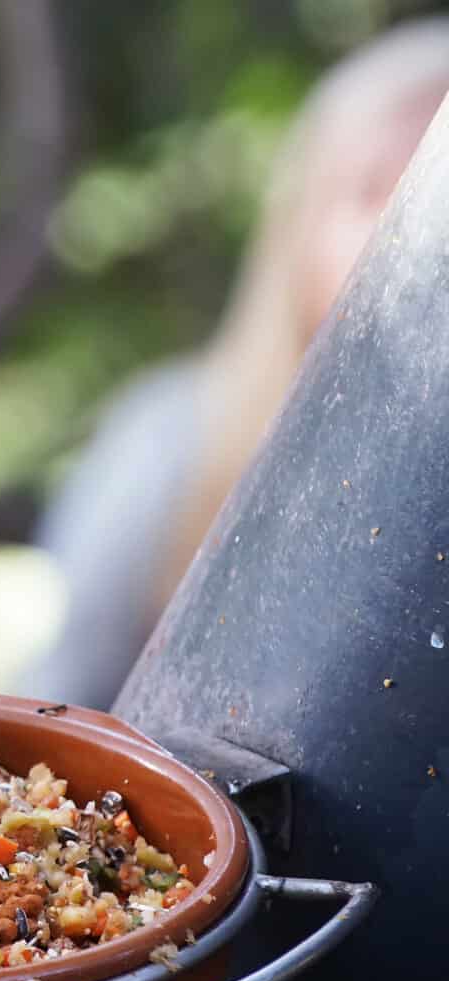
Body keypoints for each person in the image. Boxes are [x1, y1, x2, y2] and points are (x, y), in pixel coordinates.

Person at [26, 18, 449, 710]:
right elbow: (57, 714)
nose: (427, 239)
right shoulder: (170, 441)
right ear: (300, 227)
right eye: (380, 189)